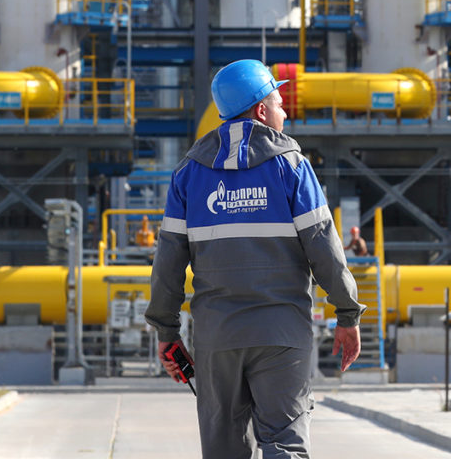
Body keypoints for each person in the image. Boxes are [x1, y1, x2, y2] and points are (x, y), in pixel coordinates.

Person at [145, 59, 365, 459]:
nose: (285, 113)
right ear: (261, 111)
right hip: (282, 334)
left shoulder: (188, 174)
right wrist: (347, 314)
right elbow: (323, 246)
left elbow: (168, 262)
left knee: (224, 450)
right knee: (285, 443)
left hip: (217, 338)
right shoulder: (292, 166)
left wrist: (166, 331)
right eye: (279, 104)